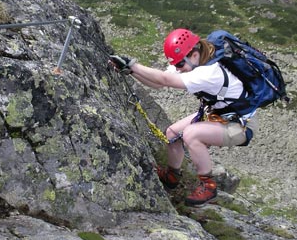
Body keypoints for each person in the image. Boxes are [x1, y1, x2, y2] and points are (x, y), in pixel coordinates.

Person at [109, 28, 258, 206]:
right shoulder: (192, 60)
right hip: (217, 114)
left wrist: (132, 64)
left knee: (190, 134)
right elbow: (158, 84)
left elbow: (165, 80)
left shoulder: (211, 72)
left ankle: (208, 186)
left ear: (194, 54)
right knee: (172, 133)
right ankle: (172, 176)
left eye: (180, 65)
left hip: (240, 127)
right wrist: (131, 71)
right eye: (177, 65)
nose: (179, 68)